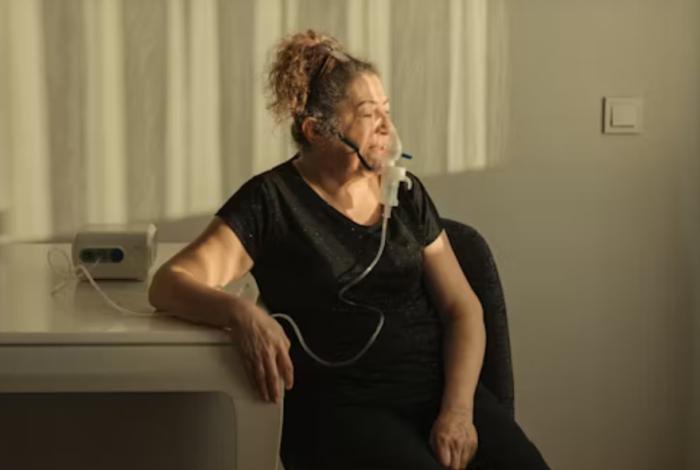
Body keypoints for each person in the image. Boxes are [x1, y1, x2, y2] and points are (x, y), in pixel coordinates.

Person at [149, 29, 548, 470]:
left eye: (387, 111)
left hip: (437, 392)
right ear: (317, 130)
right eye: (368, 114)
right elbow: (169, 284)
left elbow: (463, 308)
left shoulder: (404, 193)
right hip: (344, 410)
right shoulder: (271, 202)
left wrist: (458, 410)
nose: (387, 128)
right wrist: (239, 313)